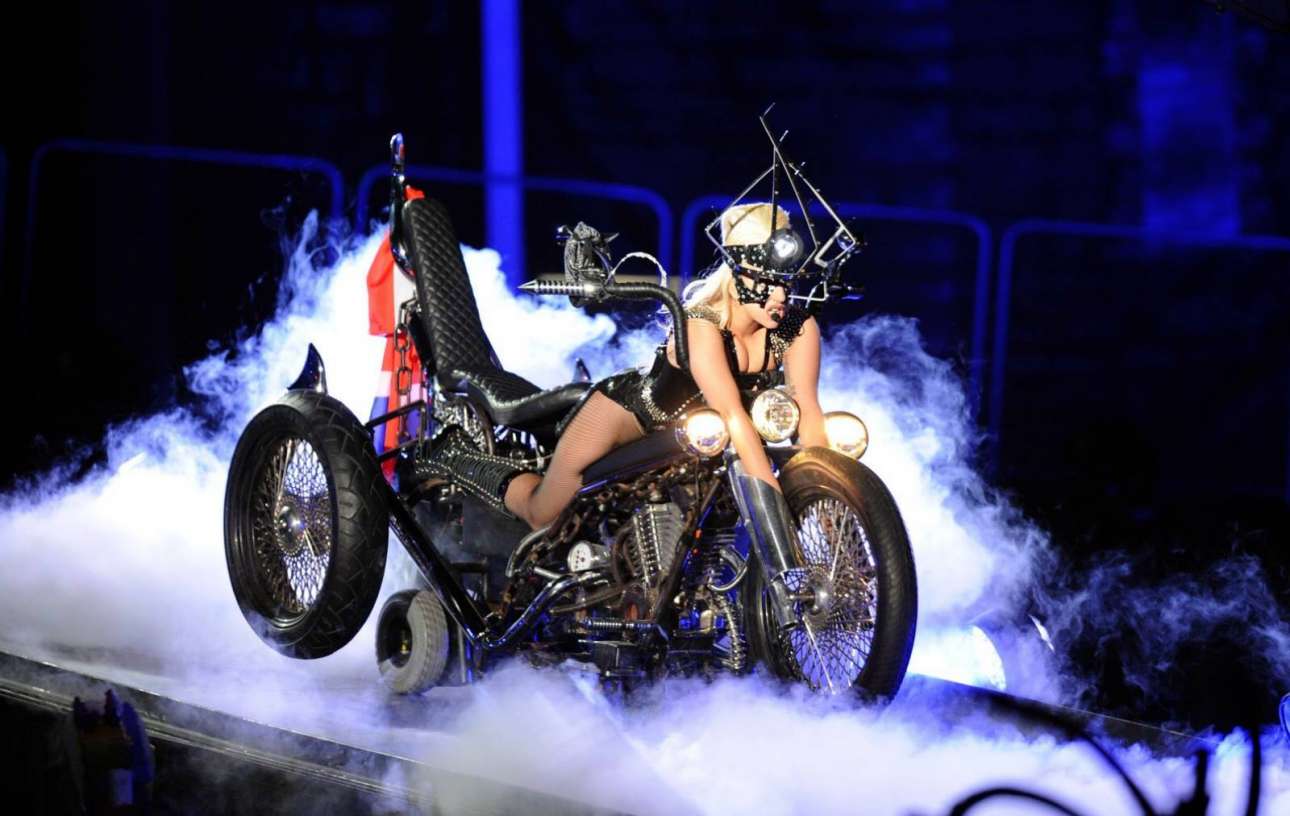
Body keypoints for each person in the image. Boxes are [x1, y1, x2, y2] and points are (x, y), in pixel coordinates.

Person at [418, 202, 828, 530]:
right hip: (628, 417)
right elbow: (732, 414)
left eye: (787, 282)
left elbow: (809, 415)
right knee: (543, 511)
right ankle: (455, 456)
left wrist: (828, 502)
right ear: (737, 274)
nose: (780, 296)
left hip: (693, 443)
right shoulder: (702, 324)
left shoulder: (798, 328)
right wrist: (778, 509)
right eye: (767, 281)